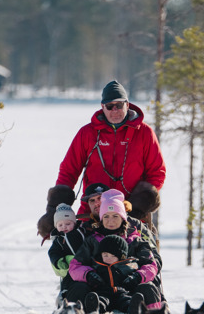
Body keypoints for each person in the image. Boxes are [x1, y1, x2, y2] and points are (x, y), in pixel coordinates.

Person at [37, 80, 165, 240]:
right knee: (81, 262)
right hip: (92, 215)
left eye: (119, 105)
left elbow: (157, 172)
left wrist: (138, 205)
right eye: (110, 106)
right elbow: (68, 171)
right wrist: (56, 210)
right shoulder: (87, 133)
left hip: (131, 216)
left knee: (143, 262)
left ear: (127, 104)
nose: (115, 110)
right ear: (102, 107)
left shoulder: (144, 133)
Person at [69, 189, 163, 313]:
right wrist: (89, 275)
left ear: (123, 217)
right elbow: (75, 266)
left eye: (115, 216)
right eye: (106, 216)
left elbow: (151, 265)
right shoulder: (92, 241)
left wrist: (138, 277)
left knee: (147, 288)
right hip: (99, 289)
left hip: (129, 289)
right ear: (101, 219)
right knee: (79, 288)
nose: (110, 220)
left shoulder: (135, 241)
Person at [47, 203, 86, 299]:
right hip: (69, 268)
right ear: (56, 226)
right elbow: (53, 252)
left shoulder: (81, 233)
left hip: (84, 265)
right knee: (68, 280)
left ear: (74, 223)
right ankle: (64, 295)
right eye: (60, 225)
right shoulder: (58, 239)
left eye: (68, 224)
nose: (64, 227)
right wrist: (58, 261)